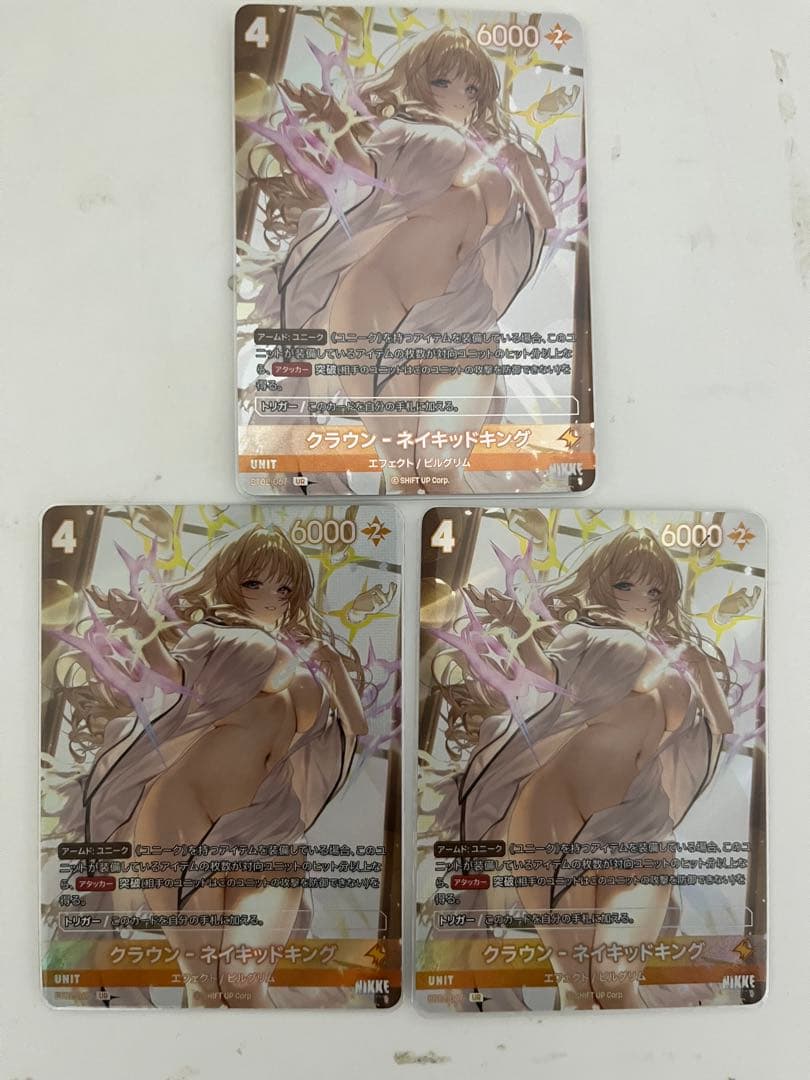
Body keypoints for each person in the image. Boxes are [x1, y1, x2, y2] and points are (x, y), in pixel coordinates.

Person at [51, 524, 369, 1007]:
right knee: (204, 989)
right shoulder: (214, 636)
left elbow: (357, 727)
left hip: (271, 823)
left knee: (245, 985)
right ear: (228, 582)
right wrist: (144, 631)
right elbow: (171, 676)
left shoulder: (308, 664)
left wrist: (335, 667)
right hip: (184, 815)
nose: (269, 598)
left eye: (284, 588)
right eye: (253, 583)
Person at [242, 26, 556, 491]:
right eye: (442, 82)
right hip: (378, 305)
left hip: (463, 315)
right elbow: (364, 170)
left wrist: (521, 165)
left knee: (442, 472)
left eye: (470, 88)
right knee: (405, 474)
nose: (457, 97)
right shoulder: (405, 133)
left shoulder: (498, 164)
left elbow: (544, 223)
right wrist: (338, 125)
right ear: (419, 83)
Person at [431, 527, 734, 1008]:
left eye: (654, 591)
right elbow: (545, 677)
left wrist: (697, 666)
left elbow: (722, 727)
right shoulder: (586, 635)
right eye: (625, 584)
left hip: (640, 821)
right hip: (556, 815)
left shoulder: (679, 663)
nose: (639, 599)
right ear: (601, 583)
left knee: (616, 986)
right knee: (578, 990)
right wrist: (518, 625)